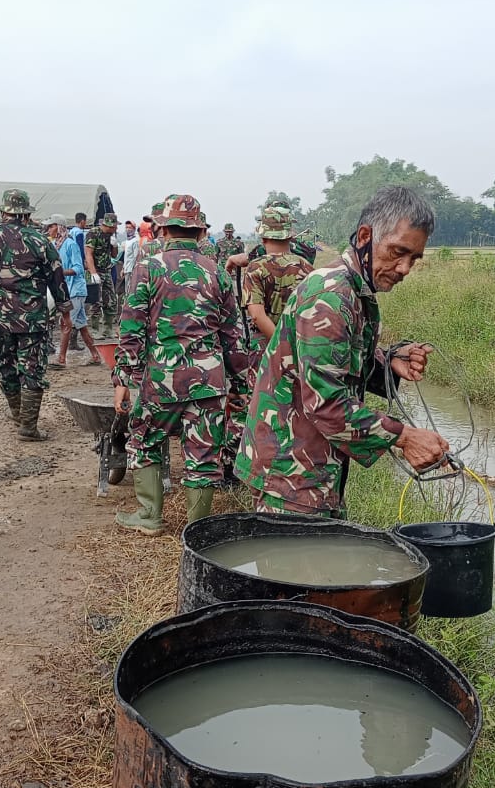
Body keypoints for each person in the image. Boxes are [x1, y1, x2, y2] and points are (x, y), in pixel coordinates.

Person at [235, 186, 449, 517]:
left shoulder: (357, 290)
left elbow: (341, 358)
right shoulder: (331, 296)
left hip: (312, 464)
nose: (405, 268)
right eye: (397, 252)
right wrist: (405, 437)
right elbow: (328, 406)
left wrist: (389, 360)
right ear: (365, 236)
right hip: (290, 472)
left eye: (414, 259)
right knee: (296, 567)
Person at [112, 194, 249, 534]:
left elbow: (131, 327)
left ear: (162, 230)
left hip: (161, 379)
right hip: (209, 380)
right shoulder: (218, 272)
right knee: (203, 455)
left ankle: (149, 517)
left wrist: (122, 380)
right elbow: (233, 335)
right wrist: (242, 384)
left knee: (144, 443)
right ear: (201, 233)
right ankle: (197, 528)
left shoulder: (149, 267)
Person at [0, 189, 71, 440]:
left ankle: (17, 412)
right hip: (32, 317)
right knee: (32, 368)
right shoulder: (41, 240)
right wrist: (65, 311)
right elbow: (56, 277)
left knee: (5, 364)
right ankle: (28, 427)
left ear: (3, 212)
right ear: (26, 214)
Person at [222, 204, 313, 477]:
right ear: (290, 236)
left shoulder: (256, 269)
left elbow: (258, 316)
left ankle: (235, 468)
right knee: (294, 405)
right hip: (301, 346)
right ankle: (289, 464)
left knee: (253, 405)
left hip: (266, 347)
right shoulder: (306, 268)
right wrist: (294, 346)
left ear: (263, 237)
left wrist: (278, 346)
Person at [46, 215, 99, 369]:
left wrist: (60, 272)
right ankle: (95, 355)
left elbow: (78, 268)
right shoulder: (57, 245)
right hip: (69, 289)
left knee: (65, 323)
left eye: (51, 226)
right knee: (81, 325)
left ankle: (61, 359)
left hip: (75, 289)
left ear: (59, 226)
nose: (49, 229)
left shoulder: (70, 244)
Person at [84, 212, 120, 337]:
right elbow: (88, 254)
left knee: (110, 301)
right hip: (95, 271)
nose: (116, 229)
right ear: (109, 225)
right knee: (95, 302)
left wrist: (114, 246)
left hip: (107, 271)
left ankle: (108, 330)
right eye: (115, 226)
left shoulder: (110, 235)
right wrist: (93, 273)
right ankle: (94, 330)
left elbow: (114, 255)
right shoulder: (93, 233)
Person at [116, 219, 140, 298]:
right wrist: (123, 269)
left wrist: (134, 269)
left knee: (130, 290)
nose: (128, 229)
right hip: (126, 269)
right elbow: (126, 257)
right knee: (126, 290)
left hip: (131, 270)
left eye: (130, 228)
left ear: (134, 229)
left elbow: (136, 256)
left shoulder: (135, 241)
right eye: (126, 227)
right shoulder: (127, 241)